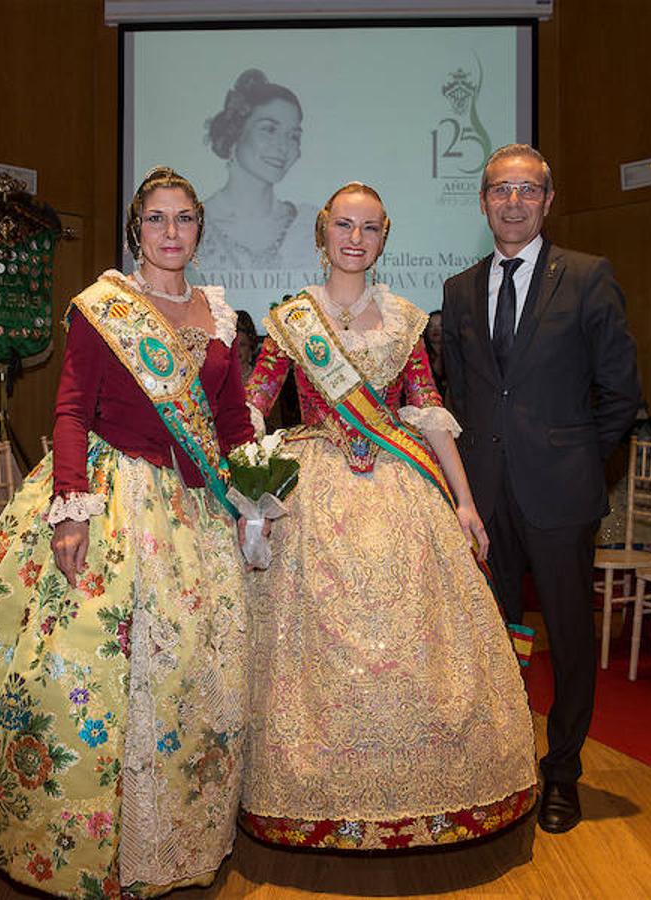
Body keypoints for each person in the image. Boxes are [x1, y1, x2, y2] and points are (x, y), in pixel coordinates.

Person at [0, 167, 255, 897]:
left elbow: (224, 425)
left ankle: (170, 841)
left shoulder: (218, 316)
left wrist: (253, 491)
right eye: (156, 218)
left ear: (199, 227)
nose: (170, 232)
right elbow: (70, 410)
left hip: (194, 518)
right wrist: (70, 509)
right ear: (137, 230)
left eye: (184, 218)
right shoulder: (103, 308)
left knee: (190, 678)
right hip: (112, 498)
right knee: (90, 679)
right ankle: (81, 842)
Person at [241, 182, 537, 851]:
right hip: (312, 492)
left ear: (384, 237)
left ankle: (426, 798)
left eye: (369, 228)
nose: (355, 239)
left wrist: (462, 503)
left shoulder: (405, 318)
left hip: (400, 491)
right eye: (343, 225)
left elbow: (430, 415)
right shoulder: (291, 320)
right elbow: (255, 405)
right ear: (323, 232)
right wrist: (247, 487)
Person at [442, 144, 641, 834]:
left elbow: (621, 393)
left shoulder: (587, 278)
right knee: (493, 636)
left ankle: (561, 773)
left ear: (548, 202)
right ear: (484, 202)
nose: (515, 202)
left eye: (529, 190)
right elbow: (460, 393)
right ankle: (505, 767)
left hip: (560, 497)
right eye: (502, 190)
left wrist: (579, 460)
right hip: (484, 499)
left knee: (568, 638)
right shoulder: (459, 288)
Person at [196, 69, 318, 274]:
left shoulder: (309, 226)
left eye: (293, 136)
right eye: (269, 129)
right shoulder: (192, 226)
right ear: (236, 131)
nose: (283, 146)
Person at [425, 308, 447, 401]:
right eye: (431, 326)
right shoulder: (421, 355)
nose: (436, 329)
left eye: (440, 325)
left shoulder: (454, 355)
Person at [234, 309, 260, 380]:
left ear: (251, 346)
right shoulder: (218, 379)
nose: (237, 349)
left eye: (242, 345)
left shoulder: (260, 377)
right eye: (233, 345)